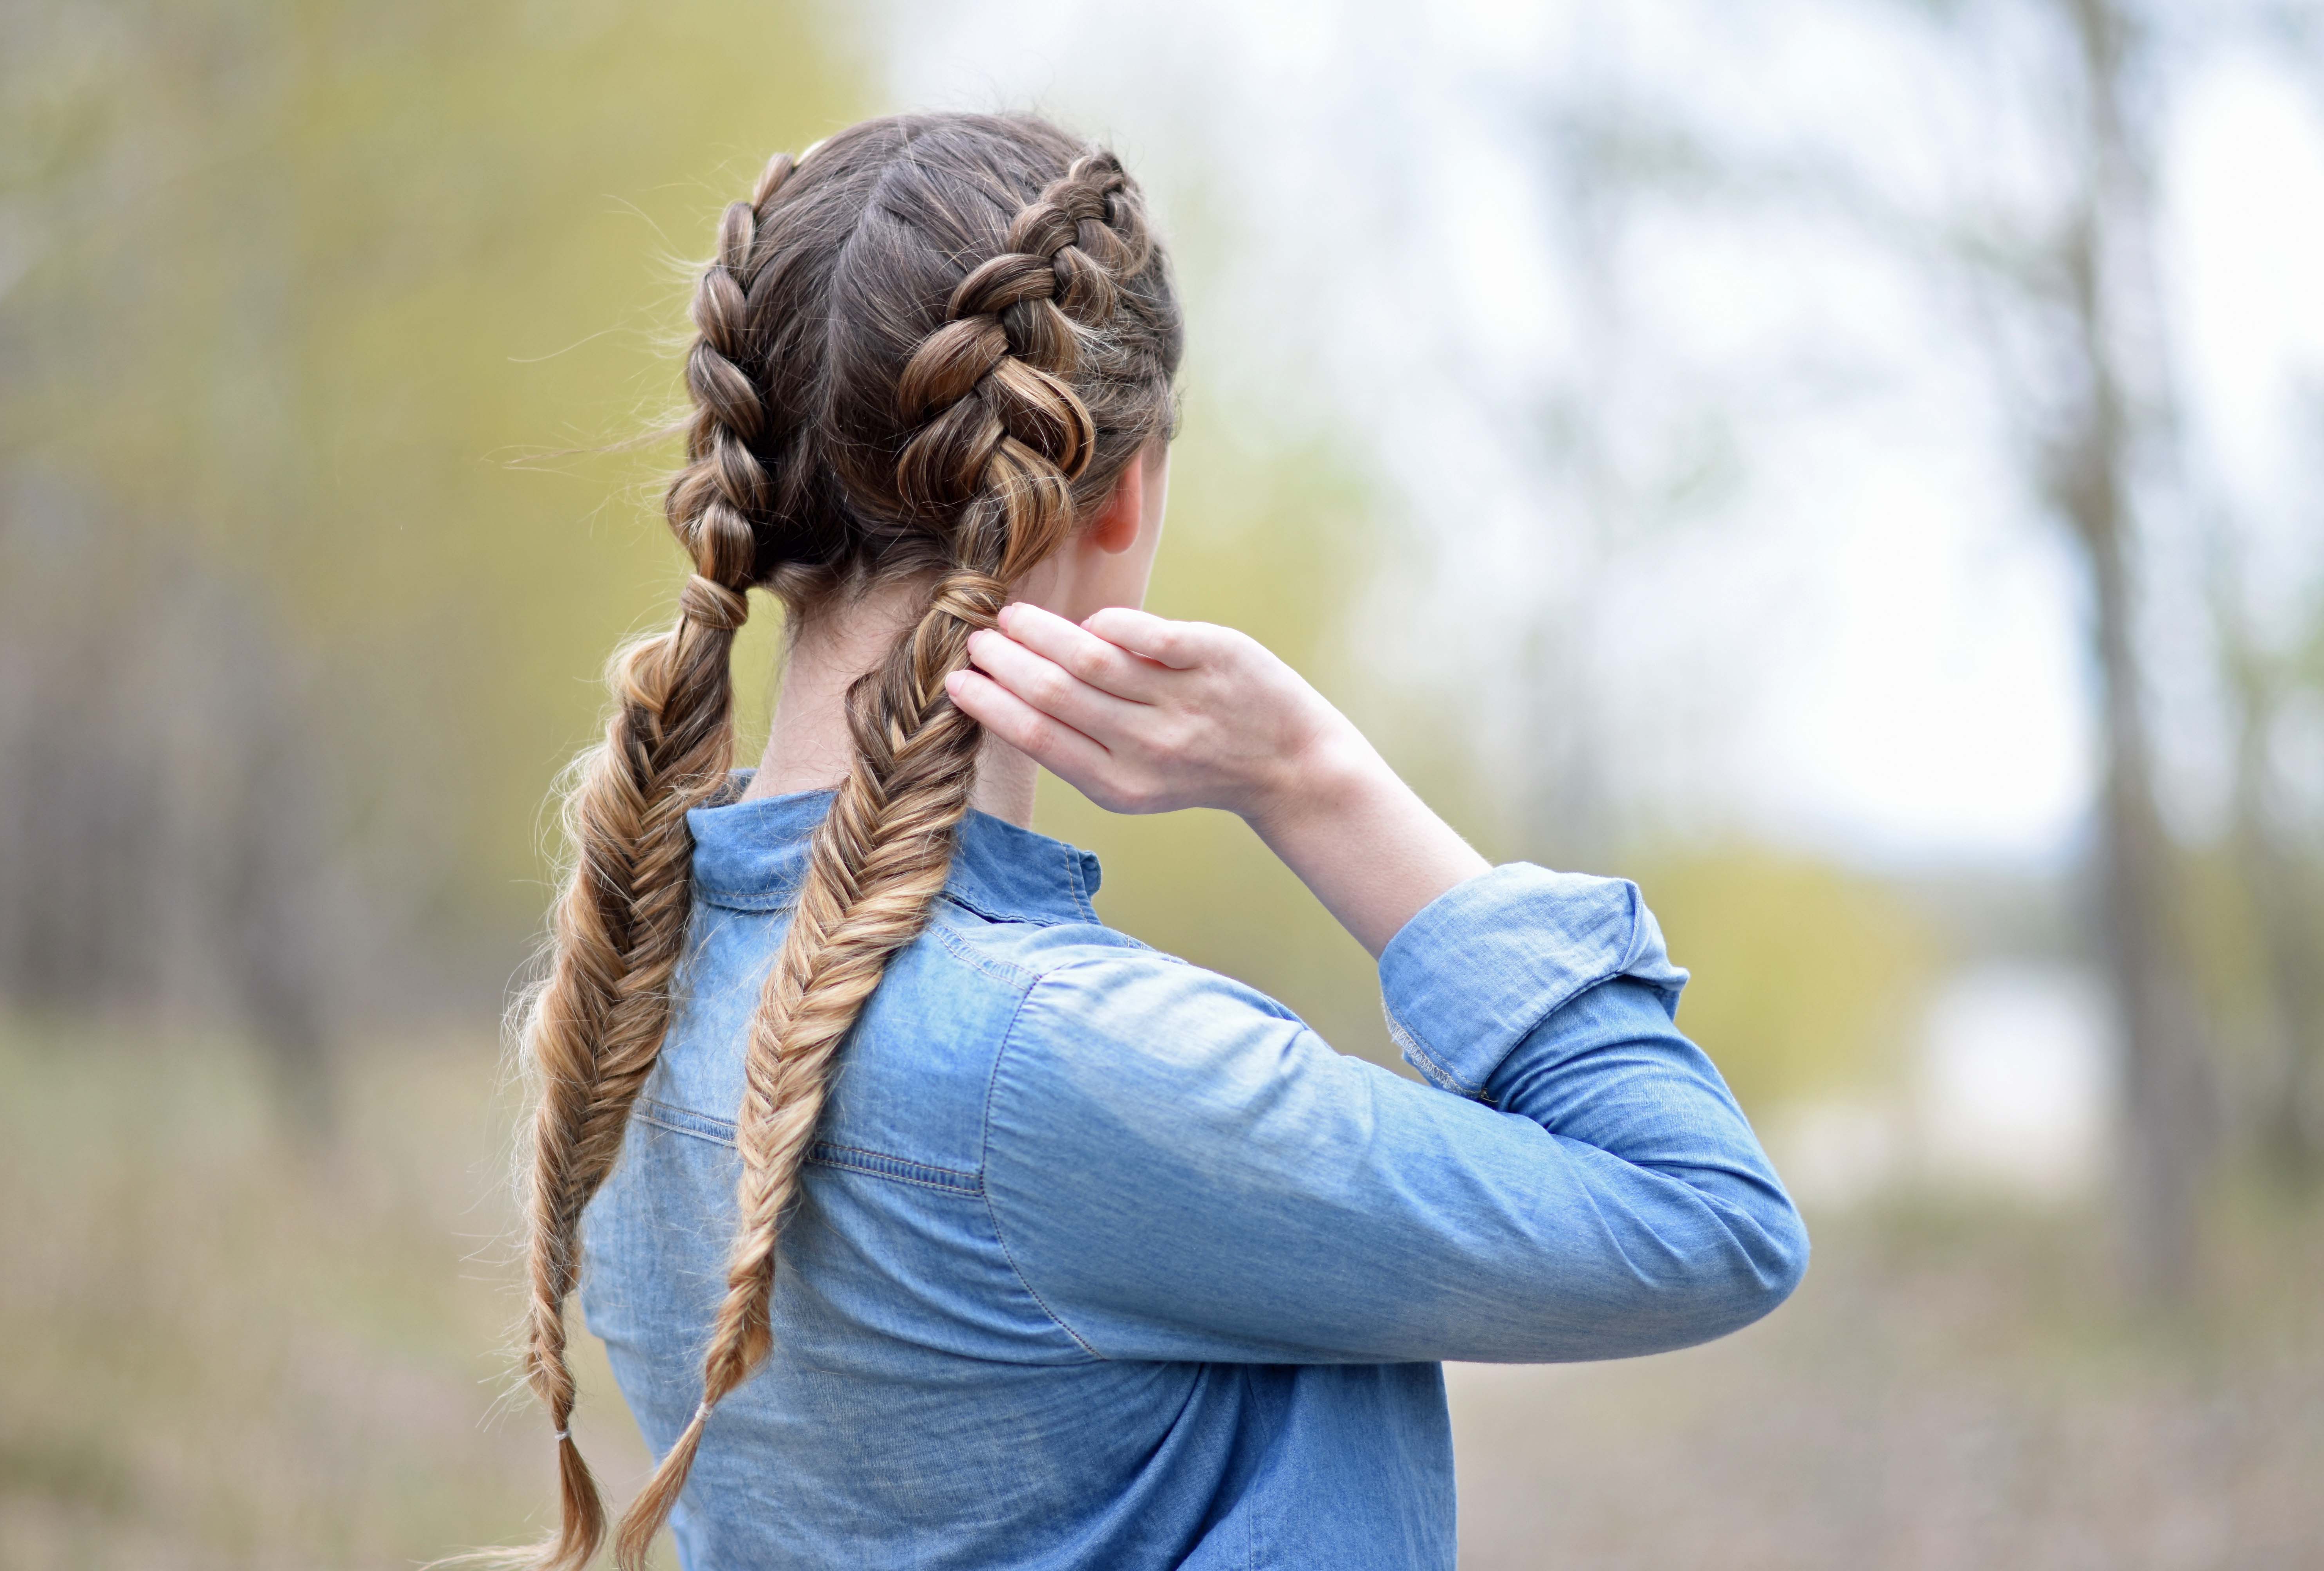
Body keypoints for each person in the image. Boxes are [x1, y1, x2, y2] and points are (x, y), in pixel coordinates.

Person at [491, 110, 1807, 1571]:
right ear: (1122, 492)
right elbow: (1706, 1221)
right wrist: (1313, 779)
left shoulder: (630, 987)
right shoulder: (1071, 1056)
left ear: (764, 488)